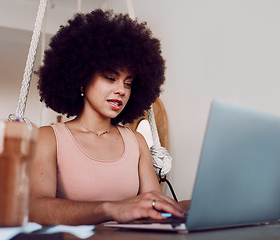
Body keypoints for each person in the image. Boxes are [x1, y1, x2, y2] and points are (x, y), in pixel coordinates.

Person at [29, 9, 188, 226]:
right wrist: (110, 209)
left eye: (128, 82)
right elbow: (36, 209)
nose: (121, 90)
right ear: (81, 79)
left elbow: (154, 205)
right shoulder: (48, 138)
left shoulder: (136, 141)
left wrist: (194, 205)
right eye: (110, 77)